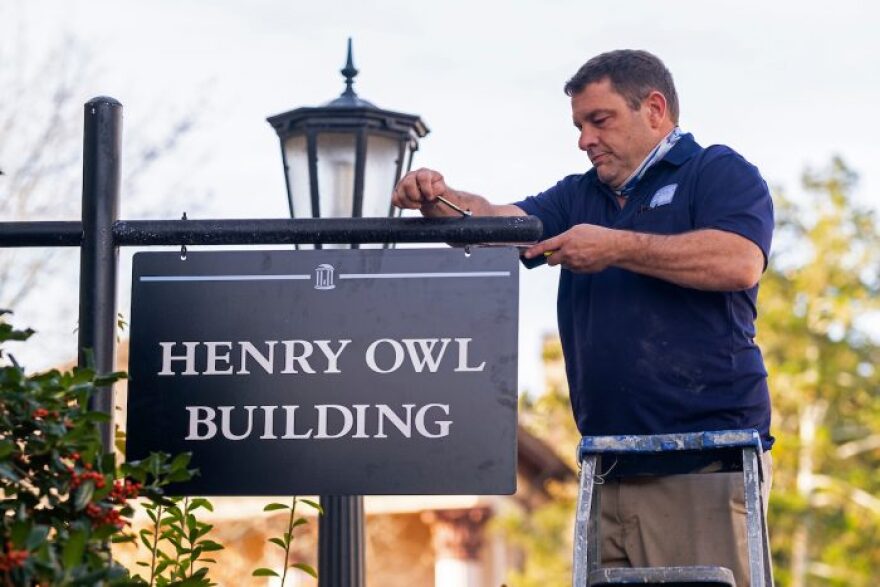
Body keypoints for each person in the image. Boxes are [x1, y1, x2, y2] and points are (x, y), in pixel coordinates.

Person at [392, 49, 774, 586]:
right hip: (607, 466)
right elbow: (500, 223)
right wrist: (438, 199)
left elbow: (738, 262)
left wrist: (615, 248)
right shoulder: (578, 196)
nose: (584, 139)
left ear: (655, 109)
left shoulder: (716, 171)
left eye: (600, 120)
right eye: (578, 125)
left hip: (702, 461)